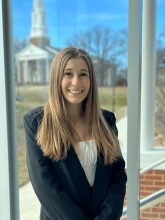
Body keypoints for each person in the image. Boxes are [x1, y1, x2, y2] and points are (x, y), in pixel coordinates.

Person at [23, 47, 127, 220]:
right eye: (68, 74)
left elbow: (117, 175)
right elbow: (44, 184)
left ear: (91, 80)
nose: (76, 82)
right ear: (57, 78)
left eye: (83, 74)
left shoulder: (106, 121)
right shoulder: (36, 122)